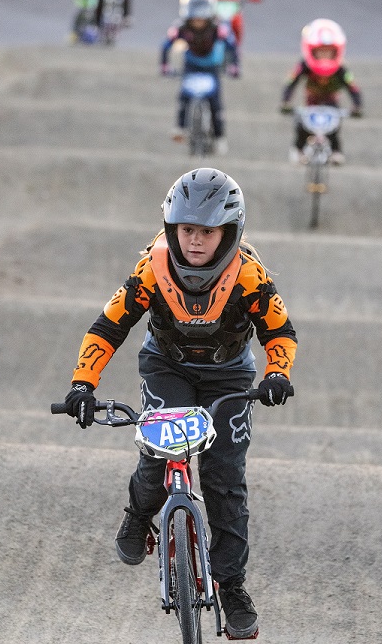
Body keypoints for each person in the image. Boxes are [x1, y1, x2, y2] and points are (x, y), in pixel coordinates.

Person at [63, 167, 297, 640]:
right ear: (173, 227)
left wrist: (277, 374)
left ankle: (231, 587)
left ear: (228, 233)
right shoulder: (151, 266)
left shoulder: (251, 276)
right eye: (187, 229)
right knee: (157, 458)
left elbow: (281, 333)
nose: (194, 241)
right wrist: (82, 384)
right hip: (166, 368)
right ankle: (137, 517)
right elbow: (108, 327)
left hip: (230, 375)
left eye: (207, 232)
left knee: (224, 480)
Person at [160, 0, 240, 155]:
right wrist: (165, 66)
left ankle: (219, 136)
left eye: (202, 17)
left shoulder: (219, 29)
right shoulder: (180, 28)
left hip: (212, 67)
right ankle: (180, 127)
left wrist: (234, 66)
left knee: (215, 104)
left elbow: (232, 45)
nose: (198, 21)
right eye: (195, 17)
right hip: (191, 65)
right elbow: (166, 45)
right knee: (184, 97)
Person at [280, 18, 363, 165]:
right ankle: (298, 149)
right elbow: (291, 82)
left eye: (328, 53)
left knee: (334, 127)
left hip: (331, 100)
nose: (324, 57)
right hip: (312, 99)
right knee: (302, 125)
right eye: (321, 53)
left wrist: (357, 106)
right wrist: (286, 101)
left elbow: (353, 88)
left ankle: (336, 152)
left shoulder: (341, 69)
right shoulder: (304, 65)